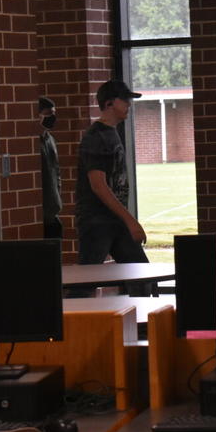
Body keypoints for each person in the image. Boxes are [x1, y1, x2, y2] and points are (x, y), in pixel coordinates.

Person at [74, 80, 149, 283]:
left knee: (141, 274)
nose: (128, 105)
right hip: (97, 221)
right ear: (109, 104)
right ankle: (71, 313)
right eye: (124, 100)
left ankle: (145, 313)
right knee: (86, 282)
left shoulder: (111, 134)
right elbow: (98, 185)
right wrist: (130, 220)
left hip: (114, 220)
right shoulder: (96, 137)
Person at [38, 96, 62, 240]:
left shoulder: (49, 139)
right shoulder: (32, 142)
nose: (52, 118)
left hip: (53, 209)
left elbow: (56, 171)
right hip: (41, 212)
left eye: (53, 113)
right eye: (48, 114)